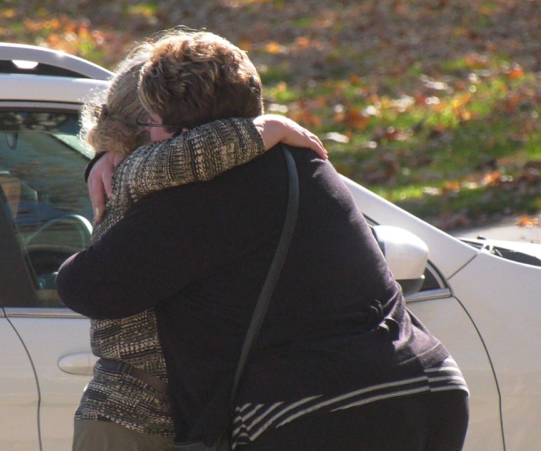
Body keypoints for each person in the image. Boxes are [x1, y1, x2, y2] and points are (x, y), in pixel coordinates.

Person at [59, 30, 470, 450]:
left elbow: (88, 287)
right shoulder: (301, 157)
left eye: (152, 125)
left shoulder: (199, 193)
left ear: (179, 136)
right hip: (431, 384)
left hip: (318, 408)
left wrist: (121, 167)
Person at [71, 40, 326, 451]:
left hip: (171, 416)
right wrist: (268, 127)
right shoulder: (146, 171)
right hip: (132, 417)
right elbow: (202, 147)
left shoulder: (136, 171)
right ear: (151, 130)